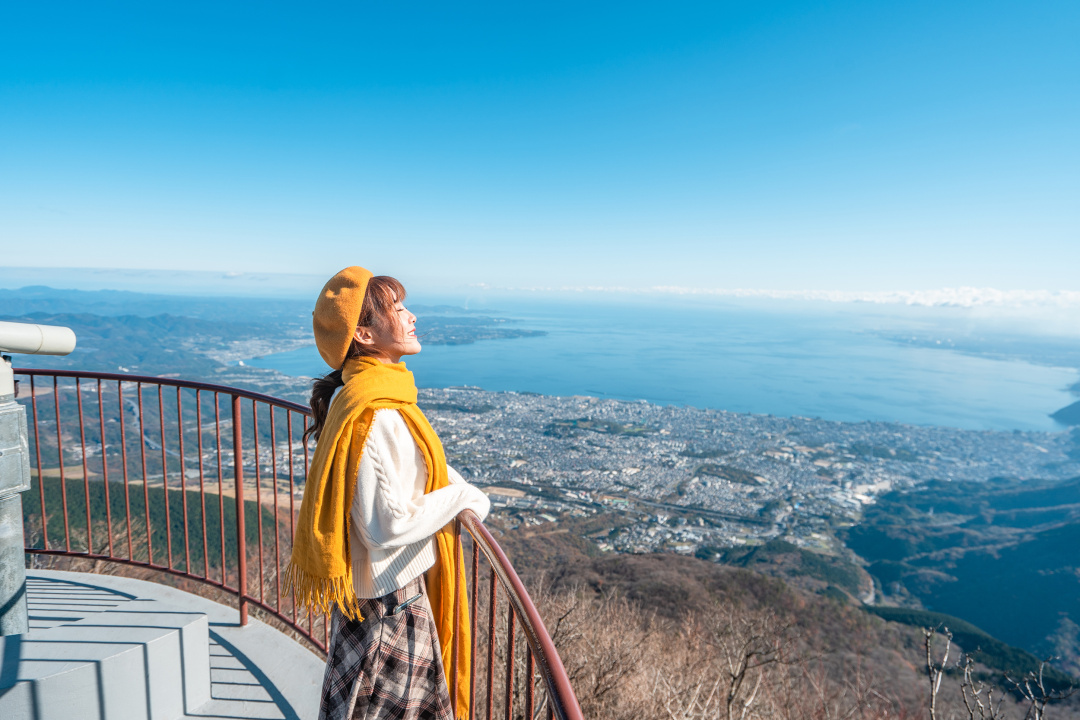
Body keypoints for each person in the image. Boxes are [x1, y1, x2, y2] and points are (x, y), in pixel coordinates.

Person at [286, 266, 490, 720]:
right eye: (397, 309)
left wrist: (454, 484)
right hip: (390, 607)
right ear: (364, 333)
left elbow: (415, 467)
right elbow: (387, 524)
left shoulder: (362, 395)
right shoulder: (374, 412)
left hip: (374, 601)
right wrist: (466, 499)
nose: (412, 316)